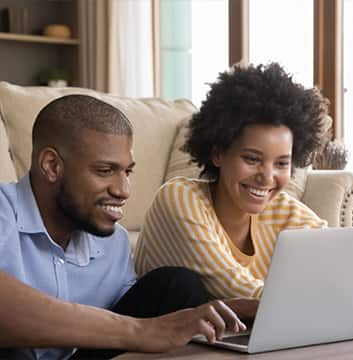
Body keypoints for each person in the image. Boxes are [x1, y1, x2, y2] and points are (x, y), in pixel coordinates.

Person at [0, 95, 251, 360]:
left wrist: (221, 311)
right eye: (105, 170)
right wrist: (142, 330)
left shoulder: (113, 240)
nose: (123, 190)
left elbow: (129, 313)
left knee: (178, 285)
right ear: (52, 166)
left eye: (126, 172)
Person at [134, 62, 328, 300]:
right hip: (158, 323)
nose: (267, 177)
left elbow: (339, 266)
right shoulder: (179, 198)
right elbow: (231, 286)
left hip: (238, 334)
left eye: (281, 164)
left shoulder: (286, 213)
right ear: (218, 154)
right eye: (252, 159)